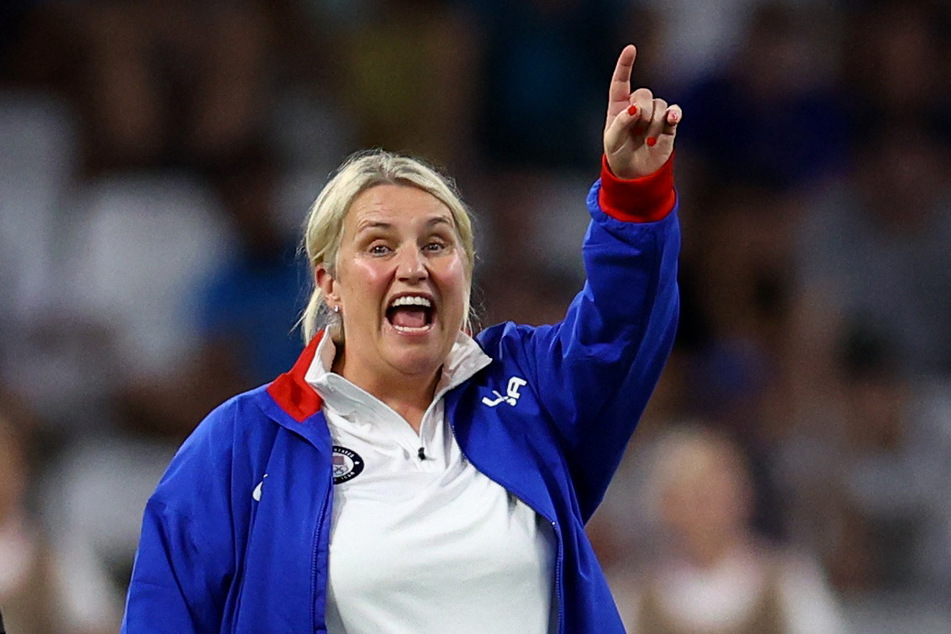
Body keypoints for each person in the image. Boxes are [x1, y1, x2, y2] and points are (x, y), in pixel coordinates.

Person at [121, 44, 682, 633]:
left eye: (437, 244)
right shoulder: (242, 446)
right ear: (329, 284)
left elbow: (624, 329)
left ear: (465, 274)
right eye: (380, 247)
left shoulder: (531, 396)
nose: (413, 266)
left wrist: (632, 194)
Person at [611, 424, 848, 634]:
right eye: (695, 496)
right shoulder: (630, 598)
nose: (710, 508)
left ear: (744, 496)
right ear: (665, 506)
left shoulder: (790, 584)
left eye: (717, 491)